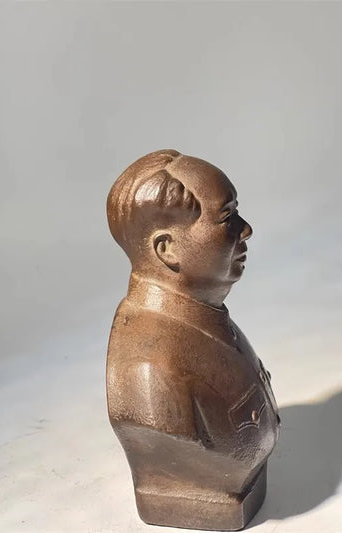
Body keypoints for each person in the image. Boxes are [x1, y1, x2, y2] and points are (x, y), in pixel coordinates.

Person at [106, 150, 280, 530]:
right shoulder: (149, 369)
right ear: (167, 249)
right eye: (226, 217)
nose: (245, 229)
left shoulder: (208, 317)